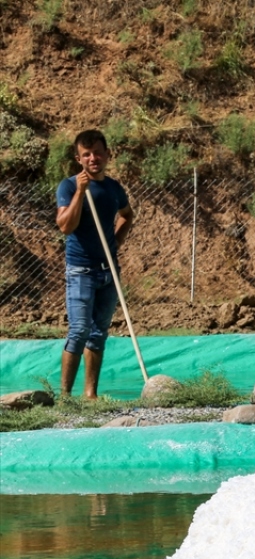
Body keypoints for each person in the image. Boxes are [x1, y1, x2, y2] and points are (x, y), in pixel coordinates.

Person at [55, 129, 133, 399]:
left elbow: (127, 215)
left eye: (98, 153)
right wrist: (80, 192)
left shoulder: (113, 188)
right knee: (79, 330)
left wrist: (115, 243)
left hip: (108, 271)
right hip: (81, 271)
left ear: (108, 154)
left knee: (99, 334)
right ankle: (65, 397)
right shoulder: (68, 186)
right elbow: (65, 226)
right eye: (86, 154)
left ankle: (90, 396)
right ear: (79, 159)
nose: (93, 158)